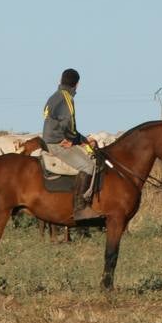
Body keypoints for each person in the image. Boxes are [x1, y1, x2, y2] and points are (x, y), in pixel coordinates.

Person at [43, 68, 100, 221]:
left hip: (51, 139)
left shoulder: (54, 96)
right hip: (58, 143)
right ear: (77, 84)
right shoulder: (67, 98)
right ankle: (80, 208)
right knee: (89, 166)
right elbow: (69, 126)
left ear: (60, 80)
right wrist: (74, 140)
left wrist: (84, 141)